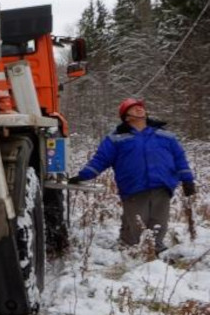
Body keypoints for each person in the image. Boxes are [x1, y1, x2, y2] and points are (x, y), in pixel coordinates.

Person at [71, 97, 196, 248]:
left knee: (159, 223)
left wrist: (187, 180)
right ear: (126, 116)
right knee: (136, 224)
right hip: (133, 187)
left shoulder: (165, 136)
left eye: (140, 106)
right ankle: (130, 250)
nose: (139, 108)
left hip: (162, 186)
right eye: (133, 108)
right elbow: (101, 159)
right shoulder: (116, 138)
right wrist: (83, 175)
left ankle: (155, 251)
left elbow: (179, 158)